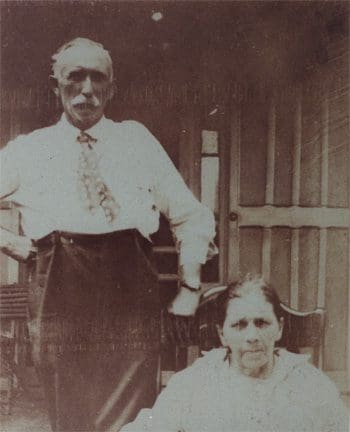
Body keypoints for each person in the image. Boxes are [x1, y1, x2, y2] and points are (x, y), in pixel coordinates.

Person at [0, 37, 216, 431]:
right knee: (70, 411)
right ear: (56, 87)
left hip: (129, 282)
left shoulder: (136, 140)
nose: (86, 89)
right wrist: (12, 243)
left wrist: (189, 286)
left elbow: (191, 215)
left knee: (132, 413)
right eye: (74, 77)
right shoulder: (30, 149)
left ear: (111, 88)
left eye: (96, 78)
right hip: (59, 284)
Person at [121, 274, 349, 432]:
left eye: (262, 323)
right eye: (239, 325)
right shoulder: (196, 382)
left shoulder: (307, 383)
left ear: (279, 327)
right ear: (222, 334)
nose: (252, 336)